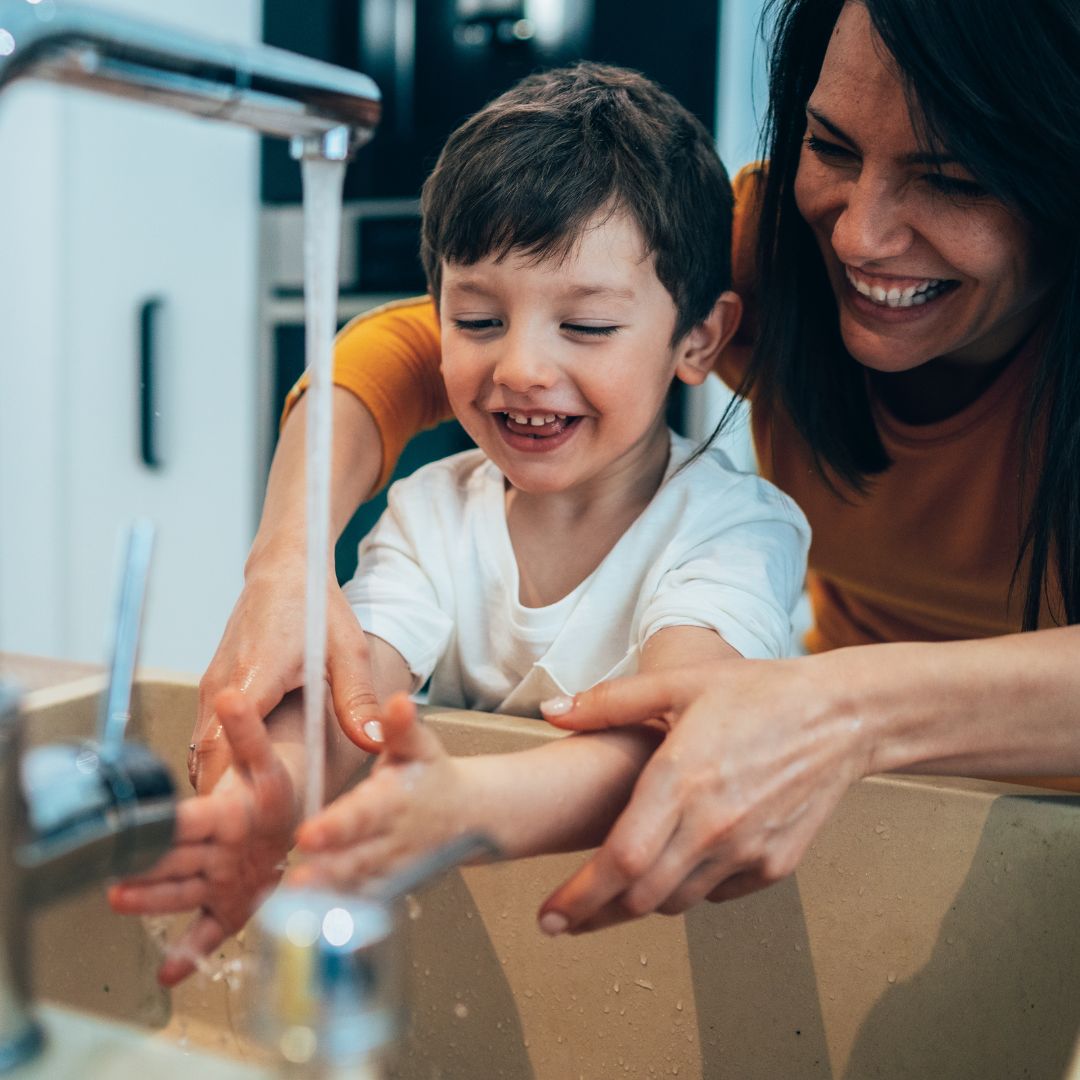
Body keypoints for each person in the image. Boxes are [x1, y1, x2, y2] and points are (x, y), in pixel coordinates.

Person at [190, 0, 1080, 938]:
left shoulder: (729, 526)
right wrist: (286, 560)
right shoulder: (780, 249)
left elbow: (685, 708)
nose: (859, 235)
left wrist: (843, 707)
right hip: (824, 797)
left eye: (951, 179)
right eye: (833, 147)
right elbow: (415, 347)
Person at [111, 63, 809, 982]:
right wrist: (266, 791)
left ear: (699, 339)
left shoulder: (736, 526)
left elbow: (689, 729)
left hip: (693, 967)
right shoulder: (431, 511)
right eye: (477, 318)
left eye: (587, 327)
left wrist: (465, 804)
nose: (520, 367)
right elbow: (357, 691)